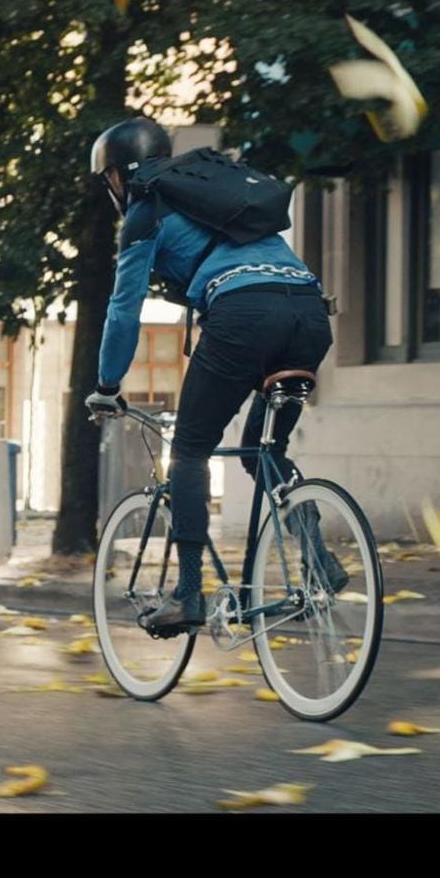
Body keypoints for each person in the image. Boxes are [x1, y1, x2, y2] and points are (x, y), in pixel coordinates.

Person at [83, 117, 337, 634]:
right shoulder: (212, 190)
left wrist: (107, 386)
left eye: (108, 177)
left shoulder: (144, 208)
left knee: (193, 450)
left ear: (121, 173)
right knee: (266, 454)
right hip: (309, 315)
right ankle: (319, 560)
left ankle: (188, 593)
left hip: (245, 317)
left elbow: (122, 309)